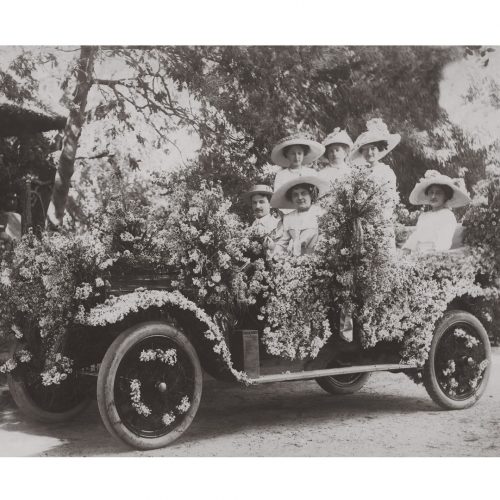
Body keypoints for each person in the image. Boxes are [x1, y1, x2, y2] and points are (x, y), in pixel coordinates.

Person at [403, 170, 471, 254]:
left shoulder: (447, 216)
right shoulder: (424, 216)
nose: (433, 196)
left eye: (438, 193)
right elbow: (415, 236)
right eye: (431, 192)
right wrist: (406, 250)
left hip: (434, 256)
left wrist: (431, 254)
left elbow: (444, 240)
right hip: (417, 255)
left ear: (446, 196)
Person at [270, 176, 329, 257]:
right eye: (295, 195)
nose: (300, 197)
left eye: (303, 193)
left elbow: (325, 240)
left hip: (317, 259)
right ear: (291, 198)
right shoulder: (288, 218)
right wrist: (274, 249)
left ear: (311, 195)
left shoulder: (321, 213)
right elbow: (283, 242)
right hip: (294, 262)